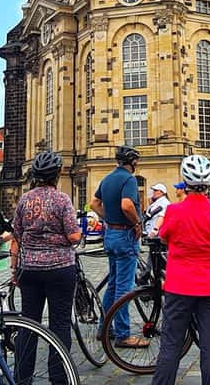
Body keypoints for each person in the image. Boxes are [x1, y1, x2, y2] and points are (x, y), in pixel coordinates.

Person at [151, 155, 210, 385]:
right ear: (209, 184)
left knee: (170, 345)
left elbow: (165, 238)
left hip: (178, 286)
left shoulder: (174, 212)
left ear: (184, 183)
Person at [10, 151, 82, 384]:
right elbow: (73, 235)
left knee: (28, 323)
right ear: (57, 175)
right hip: (60, 269)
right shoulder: (62, 200)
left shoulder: (24, 199)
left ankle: (22, 378)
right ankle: (59, 378)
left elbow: (16, 238)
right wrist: (78, 235)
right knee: (59, 324)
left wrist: (14, 270)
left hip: (29, 270)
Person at [90, 145, 148, 349]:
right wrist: (137, 223)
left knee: (113, 284)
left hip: (111, 235)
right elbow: (127, 205)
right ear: (132, 162)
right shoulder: (129, 179)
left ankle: (104, 327)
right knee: (125, 287)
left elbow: (94, 203)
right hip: (125, 235)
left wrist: (108, 218)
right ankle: (123, 334)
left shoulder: (107, 178)